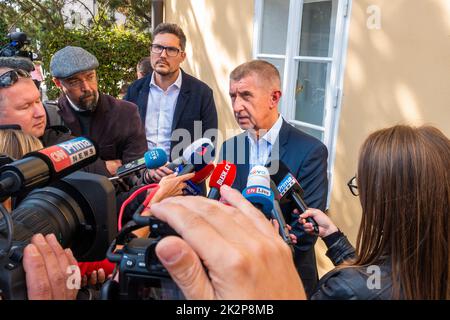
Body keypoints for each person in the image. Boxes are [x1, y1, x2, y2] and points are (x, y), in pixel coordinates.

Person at [149, 124, 449, 300]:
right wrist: (334, 238)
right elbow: (381, 274)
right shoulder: (430, 266)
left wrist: (271, 253)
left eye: (361, 186)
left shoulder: (345, 289)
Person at [219, 60, 328, 297]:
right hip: (237, 276)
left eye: (246, 95)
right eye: (233, 96)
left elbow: (307, 228)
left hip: (290, 278)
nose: (237, 106)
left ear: (274, 98)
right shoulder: (229, 148)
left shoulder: (310, 150)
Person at [124, 23, 218, 182]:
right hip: (141, 181)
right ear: (151, 50)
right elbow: (124, 139)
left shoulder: (202, 93)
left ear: (182, 56)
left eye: (171, 50)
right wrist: (145, 171)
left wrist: (180, 169)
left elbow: (209, 144)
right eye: (158, 47)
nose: (162, 54)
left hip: (184, 184)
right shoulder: (135, 90)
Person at [49, 46, 147, 176]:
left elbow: (137, 170)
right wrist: (103, 168)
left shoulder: (126, 113)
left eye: (90, 77)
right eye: (74, 81)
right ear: (57, 83)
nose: (86, 87)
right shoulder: (50, 117)